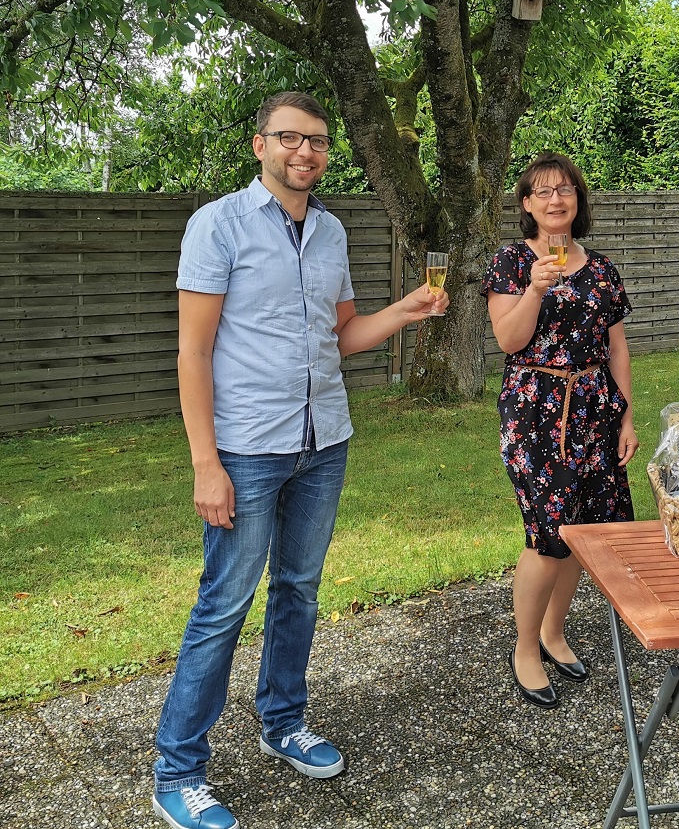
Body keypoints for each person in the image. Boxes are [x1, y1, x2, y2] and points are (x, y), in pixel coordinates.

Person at [153, 91, 448, 829]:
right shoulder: (216, 224)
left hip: (324, 443)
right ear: (260, 145)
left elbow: (340, 336)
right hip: (246, 448)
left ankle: (282, 722)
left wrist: (409, 309)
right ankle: (178, 770)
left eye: (316, 141)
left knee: (300, 592)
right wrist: (204, 463)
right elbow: (192, 351)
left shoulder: (331, 233)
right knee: (223, 605)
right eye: (290, 138)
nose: (305, 152)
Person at [482, 152, 639, 710]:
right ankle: (524, 649)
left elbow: (617, 348)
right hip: (535, 406)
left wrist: (626, 415)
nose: (556, 199)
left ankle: (553, 632)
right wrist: (534, 290)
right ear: (527, 205)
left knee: (582, 533)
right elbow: (508, 341)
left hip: (594, 404)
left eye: (565, 189)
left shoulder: (601, 269)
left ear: (578, 199)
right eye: (543, 192)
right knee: (546, 533)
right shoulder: (510, 263)